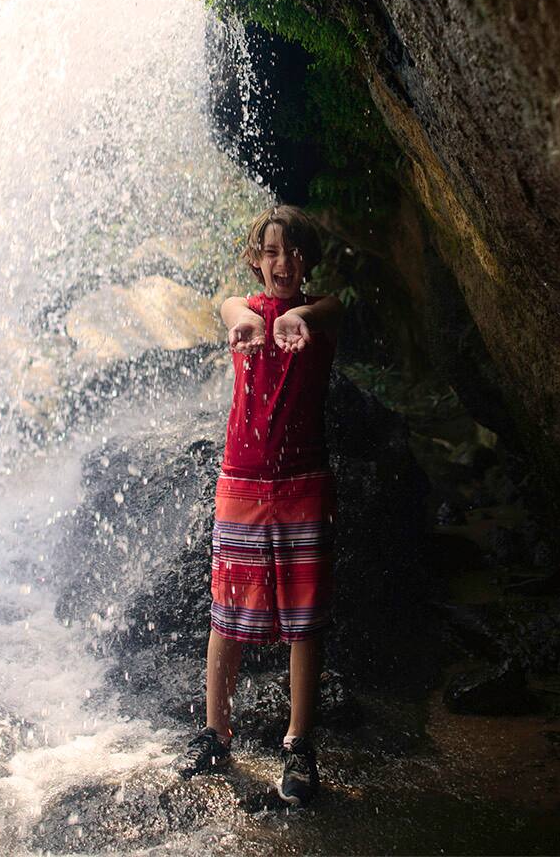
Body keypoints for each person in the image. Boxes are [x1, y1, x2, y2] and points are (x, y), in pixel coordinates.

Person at [174, 204, 343, 807]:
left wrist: (300, 314)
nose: (283, 262)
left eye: (294, 253)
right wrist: (240, 313)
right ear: (256, 258)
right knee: (227, 612)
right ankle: (216, 733)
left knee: (306, 617)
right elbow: (228, 306)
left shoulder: (318, 319)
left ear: (308, 262)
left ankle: (299, 746)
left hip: (302, 481)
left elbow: (334, 308)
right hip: (241, 482)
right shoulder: (243, 314)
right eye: (272, 252)